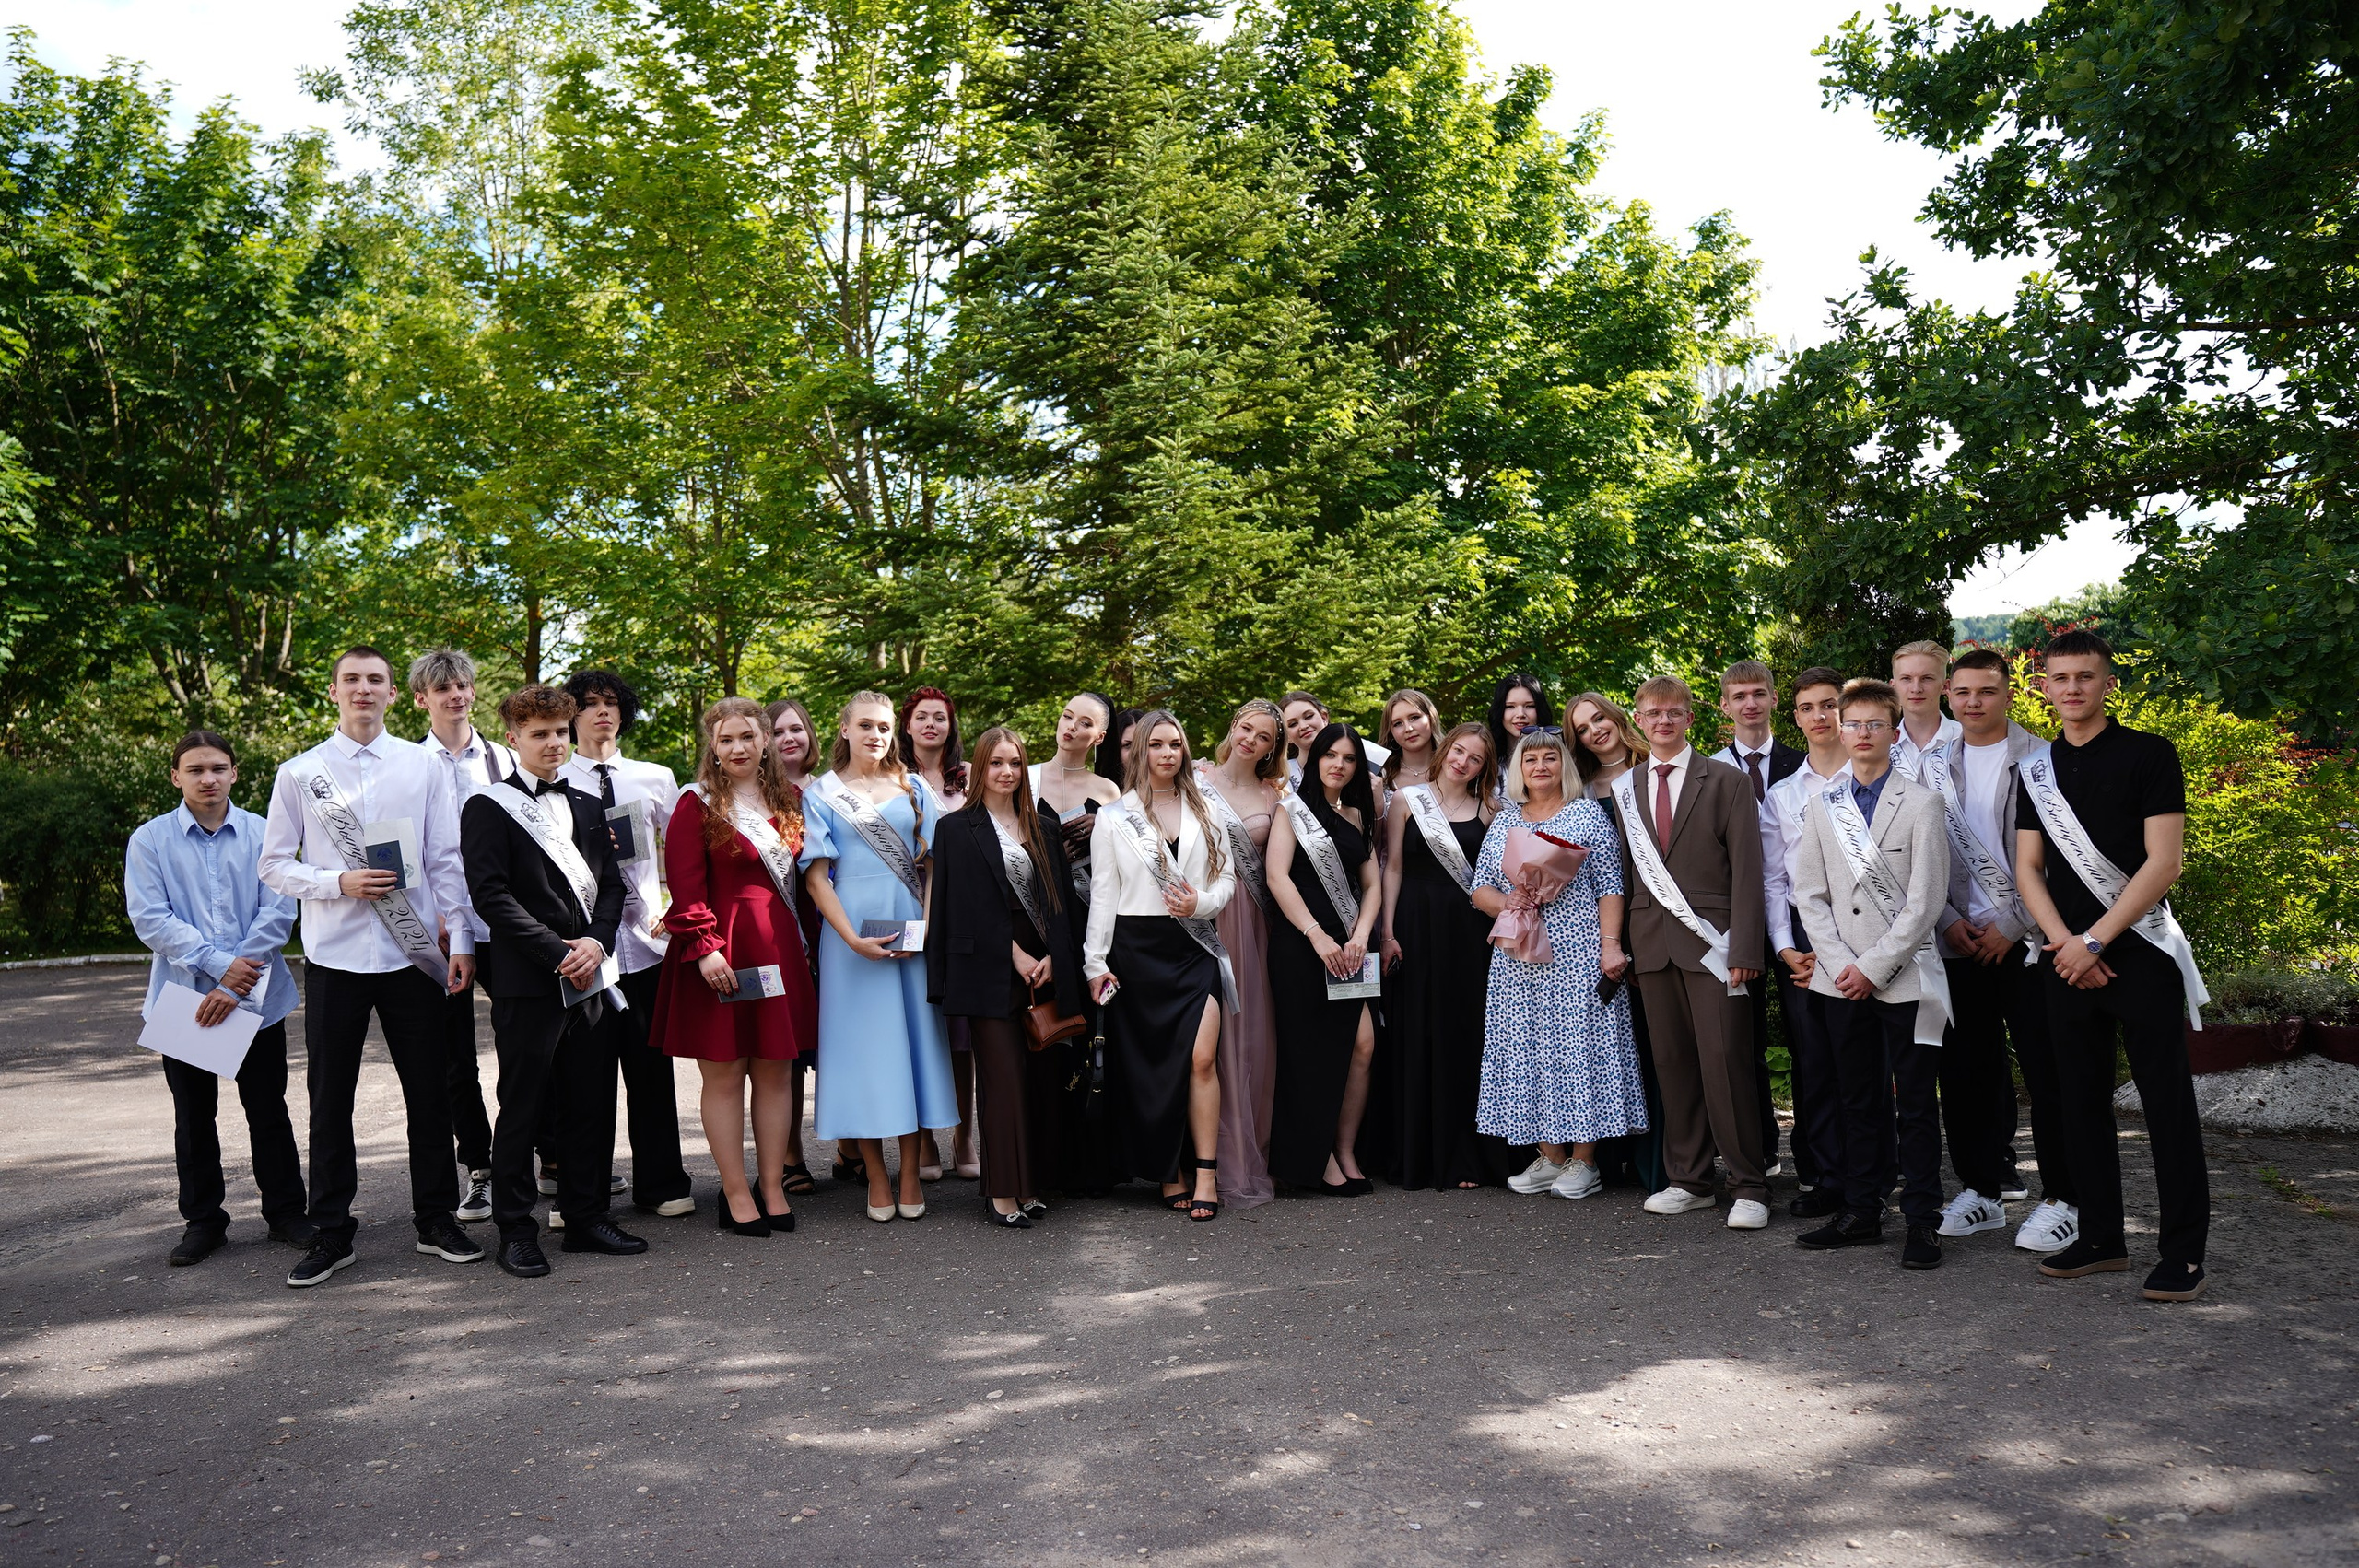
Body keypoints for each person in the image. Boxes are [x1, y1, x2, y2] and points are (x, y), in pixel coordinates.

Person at [259, 645, 485, 1286]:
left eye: (375, 680)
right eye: (352, 680)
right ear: (333, 691)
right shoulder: (300, 773)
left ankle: (436, 1217)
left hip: (412, 957)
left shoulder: (421, 767)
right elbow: (273, 865)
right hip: (335, 958)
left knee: (430, 1094)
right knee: (330, 1098)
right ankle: (331, 1230)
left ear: (393, 693)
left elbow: (446, 858)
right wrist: (338, 880)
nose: (363, 689)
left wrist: (461, 940)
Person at [2013, 628, 2211, 1302]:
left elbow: (2165, 862)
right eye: (2060, 678)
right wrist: (2067, 943)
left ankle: (2183, 1252)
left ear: (2107, 683)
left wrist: (2093, 940)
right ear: (2043, 687)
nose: (2072, 688)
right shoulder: (2034, 770)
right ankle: (2101, 1238)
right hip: (2065, 955)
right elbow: (2027, 867)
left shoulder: (2150, 755)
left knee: (2167, 1105)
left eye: (2085, 677)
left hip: (2139, 953)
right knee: (2078, 1103)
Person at [459, 683, 643, 1278]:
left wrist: (595, 943)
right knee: (524, 1107)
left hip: (589, 975)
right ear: (512, 740)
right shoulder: (486, 806)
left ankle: (586, 1217)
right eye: (538, 733)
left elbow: (613, 885)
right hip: (529, 982)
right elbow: (490, 896)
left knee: (591, 1102)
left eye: (560, 732)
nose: (553, 743)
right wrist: (554, 951)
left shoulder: (591, 805)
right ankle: (516, 1230)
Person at [125, 731, 311, 1267]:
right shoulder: (151, 840)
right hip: (184, 1003)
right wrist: (216, 965)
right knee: (194, 1116)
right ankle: (204, 1222)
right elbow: (150, 919)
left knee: (268, 1110)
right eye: (196, 769)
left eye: (218, 768)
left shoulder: (263, 834)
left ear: (234, 773)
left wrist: (234, 983)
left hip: (256, 1000)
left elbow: (278, 913)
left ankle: (286, 1215)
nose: (208, 778)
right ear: (175, 776)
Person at [1791, 678, 1954, 1269]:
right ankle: (1862, 1210)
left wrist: (1875, 966)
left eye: (1874, 724)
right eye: (1851, 723)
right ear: (1839, 727)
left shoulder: (1922, 803)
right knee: (1857, 1099)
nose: (1862, 733)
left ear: (1893, 731)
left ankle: (1921, 1221)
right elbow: (1808, 894)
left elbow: (1927, 898)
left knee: (1914, 1103)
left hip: (1904, 976)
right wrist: (1842, 967)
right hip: (1840, 981)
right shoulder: (1820, 806)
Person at [650, 697, 820, 1237]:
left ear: (765, 740)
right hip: (720, 951)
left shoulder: (792, 799)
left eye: (747, 736)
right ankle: (735, 1190)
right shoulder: (695, 804)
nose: (738, 748)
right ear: (714, 748)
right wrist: (706, 948)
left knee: (774, 1071)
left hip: (777, 950)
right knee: (724, 1075)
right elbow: (684, 884)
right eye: (726, 740)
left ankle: (772, 1186)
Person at [1611, 675, 1770, 1230]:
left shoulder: (1725, 780)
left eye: (1674, 712)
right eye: (1652, 713)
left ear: (1690, 718)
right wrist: (1627, 945)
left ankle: (1749, 1183)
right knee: (1673, 1064)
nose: (1663, 721)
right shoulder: (1625, 787)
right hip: (1652, 945)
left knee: (1725, 1061)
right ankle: (1690, 1179)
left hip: (1715, 944)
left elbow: (1751, 870)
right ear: (1639, 718)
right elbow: (1629, 874)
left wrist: (1747, 946)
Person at [1920, 649, 2061, 1248]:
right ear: (1949, 695)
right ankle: (1981, 1191)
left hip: (2027, 943)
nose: (1973, 702)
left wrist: (2012, 922)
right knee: (1965, 1073)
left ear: (2010, 694)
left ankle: (2065, 1197)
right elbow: (1922, 855)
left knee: (2048, 1071)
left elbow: (2060, 859)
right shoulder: (1932, 766)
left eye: (1987, 691)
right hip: (1958, 944)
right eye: (1964, 692)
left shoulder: (2042, 759)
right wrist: (1949, 920)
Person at [802, 692, 957, 1223]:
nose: (877, 735)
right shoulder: (822, 793)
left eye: (886, 727)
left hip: (910, 930)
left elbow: (937, 865)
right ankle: (874, 1173)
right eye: (865, 725)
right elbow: (817, 876)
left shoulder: (913, 787)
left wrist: (930, 926)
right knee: (862, 1056)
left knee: (913, 1050)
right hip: (850, 940)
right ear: (843, 729)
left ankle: (911, 1171)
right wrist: (848, 939)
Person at [1474, 725, 1647, 1198]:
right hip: (1519, 957)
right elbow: (1480, 888)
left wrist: (1610, 946)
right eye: (1530, 761)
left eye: (1550, 758)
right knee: (1532, 1048)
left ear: (1564, 766)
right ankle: (1550, 1158)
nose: (1540, 767)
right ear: (1519, 771)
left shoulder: (1587, 815)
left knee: (1578, 1049)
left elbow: (1612, 885)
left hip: (1577, 950)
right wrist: (1515, 902)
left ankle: (1584, 1162)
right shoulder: (1506, 820)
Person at [927, 728, 1086, 1226]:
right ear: (980, 767)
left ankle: (1031, 1183)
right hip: (990, 968)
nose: (1006, 773)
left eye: (1015, 763)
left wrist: (1058, 957)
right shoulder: (956, 829)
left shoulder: (1043, 824)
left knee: (1040, 1080)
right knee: (1003, 1080)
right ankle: (1002, 1191)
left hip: (1045, 967)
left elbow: (1060, 902)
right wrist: (1013, 954)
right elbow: (957, 910)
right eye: (996, 763)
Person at [1084, 709, 1237, 1221]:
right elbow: (1104, 895)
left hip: (1193, 947)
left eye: (1175, 744)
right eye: (1156, 745)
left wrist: (1202, 905)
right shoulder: (1113, 818)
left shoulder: (1209, 809)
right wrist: (1094, 963)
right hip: (1136, 950)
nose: (1168, 753)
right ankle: (1170, 1170)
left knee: (1200, 1059)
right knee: (1155, 1067)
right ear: (1139, 751)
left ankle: (1207, 1174)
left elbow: (1227, 882)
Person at [560, 669, 695, 1222]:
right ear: (570, 714)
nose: (601, 712)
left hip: (645, 946)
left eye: (611, 703)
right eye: (589, 703)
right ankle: (583, 1193)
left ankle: (662, 1182)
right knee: (584, 1079)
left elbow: (686, 847)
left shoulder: (653, 777)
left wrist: (677, 908)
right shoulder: (551, 777)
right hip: (583, 949)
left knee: (651, 1071)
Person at [410, 648, 516, 1224]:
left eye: (462, 685)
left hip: (503, 928)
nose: (455, 694)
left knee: (524, 1047)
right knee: (454, 1061)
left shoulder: (503, 759)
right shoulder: (407, 764)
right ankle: (479, 1171)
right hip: (436, 932)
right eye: (442, 687)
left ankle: (535, 1158)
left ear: (473, 692)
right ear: (422, 698)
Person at [1379, 721, 1500, 1189]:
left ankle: (1467, 1156)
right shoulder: (1408, 800)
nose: (1462, 761)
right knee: (1417, 1032)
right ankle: (1420, 1156)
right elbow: (1393, 868)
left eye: (1474, 758)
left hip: (1468, 933)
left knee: (1464, 1034)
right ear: (1445, 748)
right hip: (1413, 923)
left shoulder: (1489, 808)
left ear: (1483, 768)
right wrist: (1387, 931)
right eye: (1458, 751)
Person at [1265, 721, 1385, 1195]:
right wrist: (1318, 937)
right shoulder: (1290, 811)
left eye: (1349, 758)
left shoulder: (1357, 815)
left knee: (1362, 1046)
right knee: (1308, 1053)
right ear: (1313, 760)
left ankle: (1345, 1147)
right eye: (1330, 755)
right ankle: (1315, 1160)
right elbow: (1278, 877)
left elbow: (1372, 885)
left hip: (1351, 946)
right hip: (1302, 945)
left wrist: (1359, 937)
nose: (1339, 765)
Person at [1762, 668, 1859, 1221]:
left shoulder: (1881, 780)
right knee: (1814, 1060)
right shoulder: (1783, 794)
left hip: (1869, 932)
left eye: (1830, 705)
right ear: (1793, 716)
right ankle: (1824, 1175)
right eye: (1808, 707)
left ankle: (1870, 1171)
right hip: (1803, 940)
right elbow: (1774, 878)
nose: (1820, 717)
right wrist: (1784, 946)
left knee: (1867, 1059)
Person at [1713, 659, 1807, 1186]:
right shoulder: (1707, 770)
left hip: (1798, 919)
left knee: (1805, 1038)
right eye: (1739, 695)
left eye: (1759, 694)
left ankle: (1814, 1156)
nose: (1750, 703)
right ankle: (1758, 1152)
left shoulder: (1806, 763)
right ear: (1725, 705)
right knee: (1742, 1044)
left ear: (1774, 700)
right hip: (1733, 923)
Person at [1195, 699, 1286, 1210]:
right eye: (1246, 729)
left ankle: (1248, 1152)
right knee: (1206, 1043)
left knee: (1252, 1036)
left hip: (1252, 924)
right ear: (1232, 728)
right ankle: (1204, 1155)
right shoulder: (1195, 778)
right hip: (1204, 918)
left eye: (1264, 737)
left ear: (1274, 748)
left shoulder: (1276, 796)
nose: (1251, 740)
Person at [899, 686, 976, 1182]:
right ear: (906, 726)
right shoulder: (890, 780)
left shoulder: (968, 778)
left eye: (940, 718)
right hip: (911, 907)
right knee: (921, 1026)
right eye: (922, 717)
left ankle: (964, 1135)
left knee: (963, 1033)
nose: (931, 725)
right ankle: (924, 1136)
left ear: (951, 727)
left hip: (966, 911)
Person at [764, 696, 831, 1190]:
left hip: (839, 929)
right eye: (778, 731)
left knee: (839, 1043)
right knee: (787, 1051)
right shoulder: (761, 796)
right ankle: (791, 1157)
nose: (789, 738)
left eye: (796, 729)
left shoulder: (831, 790)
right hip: (789, 928)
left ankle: (852, 1149)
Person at [1279, 691, 1391, 786]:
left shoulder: (1368, 756)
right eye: (1293, 724)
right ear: (1287, 737)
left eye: (1308, 716)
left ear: (1324, 717)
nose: (1303, 726)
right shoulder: (1282, 777)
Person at [1889, 639, 1962, 778]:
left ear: (1945, 686)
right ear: (1893, 686)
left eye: (1927, 678)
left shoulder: (1965, 740)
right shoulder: (1880, 745)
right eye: (1906, 679)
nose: (1916, 689)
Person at [1485, 673, 1558, 792]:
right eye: (1510, 706)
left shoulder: (1559, 758)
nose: (1520, 714)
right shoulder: (1486, 761)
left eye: (1529, 706)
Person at [1568, 692, 1644, 799]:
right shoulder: (1583, 792)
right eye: (1583, 730)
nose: (1595, 730)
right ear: (1580, 742)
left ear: (1614, 716)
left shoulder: (1656, 764)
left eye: (1599, 719)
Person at [1379, 688, 1442, 792]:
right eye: (1398, 723)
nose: (1408, 729)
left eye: (1414, 717)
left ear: (1431, 718)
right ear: (1391, 731)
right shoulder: (1380, 776)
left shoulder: (1453, 768)